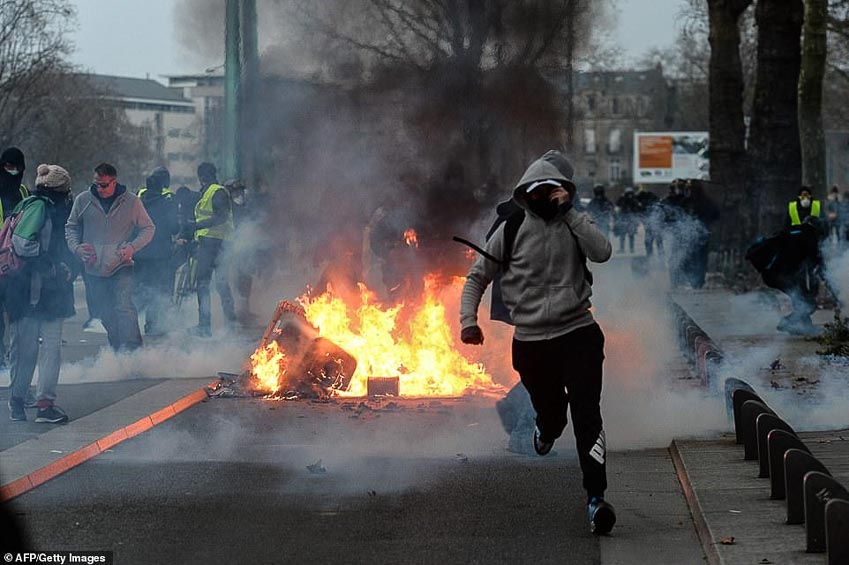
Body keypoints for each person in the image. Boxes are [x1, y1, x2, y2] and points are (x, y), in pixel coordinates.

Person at [459, 150, 616, 535]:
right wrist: (468, 321)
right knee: (553, 415)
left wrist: (572, 214)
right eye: (539, 193)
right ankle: (545, 430)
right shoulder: (510, 230)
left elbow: (604, 252)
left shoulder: (576, 224)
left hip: (579, 333)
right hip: (531, 343)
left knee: (587, 413)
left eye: (555, 192)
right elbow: (477, 276)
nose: (547, 199)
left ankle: (596, 499)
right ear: (525, 194)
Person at [7, 164, 77, 423]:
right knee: (30, 350)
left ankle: (43, 404)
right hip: (29, 291)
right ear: (60, 189)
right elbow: (23, 244)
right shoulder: (39, 206)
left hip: (45, 292)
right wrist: (50, 265)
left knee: (48, 349)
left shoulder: (35, 205)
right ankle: (21, 401)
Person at [65, 163, 154, 350]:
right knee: (105, 312)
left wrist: (132, 247)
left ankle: (134, 351)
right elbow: (71, 227)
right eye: (96, 183)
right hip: (93, 267)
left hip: (122, 264)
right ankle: (117, 349)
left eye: (104, 185)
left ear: (114, 182)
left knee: (124, 307)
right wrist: (76, 248)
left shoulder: (131, 202)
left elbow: (148, 228)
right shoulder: (83, 200)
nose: (99, 188)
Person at [184, 162, 236, 336]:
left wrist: (198, 225)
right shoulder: (209, 192)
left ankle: (208, 326)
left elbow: (220, 217)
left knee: (207, 284)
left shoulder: (217, 192)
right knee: (211, 284)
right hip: (212, 244)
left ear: (201, 177)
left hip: (216, 244)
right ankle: (227, 324)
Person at [135, 168, 178, 336]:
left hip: (140, 253)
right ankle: (154, 325)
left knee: (141, 288)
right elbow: (174, 227)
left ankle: (132, 324)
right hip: (160, 254)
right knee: (158, 289)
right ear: (162, 187)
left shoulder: (137, 203)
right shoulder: (167, 203)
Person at [0, 147, 30, 369]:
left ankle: (14, 357)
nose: (12, 171)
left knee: (16, 314)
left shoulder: (23, 192)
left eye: (16, 167)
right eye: (8, 167)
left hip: (16, 262)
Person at [679, 181, 719, 289]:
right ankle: (697, 280)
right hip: (695, 234)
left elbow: (715, 215)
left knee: (695, 257)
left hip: (698, 234)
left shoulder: (694, 202)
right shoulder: (690, 202)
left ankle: (697, 280)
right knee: (698, 258)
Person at [636, 185, 663, 257]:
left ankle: (651, 256)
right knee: (656, 241)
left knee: (651, 241)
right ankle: (659, 256)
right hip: (654, 224)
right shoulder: (652, 199)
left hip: (654, 223)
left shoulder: (645, 202)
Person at [614, 186, 640, 253]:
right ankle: (629, 249)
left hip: (626, 219)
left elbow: (617, 208)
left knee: (625, 235)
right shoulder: (628, 199)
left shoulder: (624, 198)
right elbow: (617, 207)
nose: (629, 195)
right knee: (627, 235)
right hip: (626, 219)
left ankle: (626, 249)